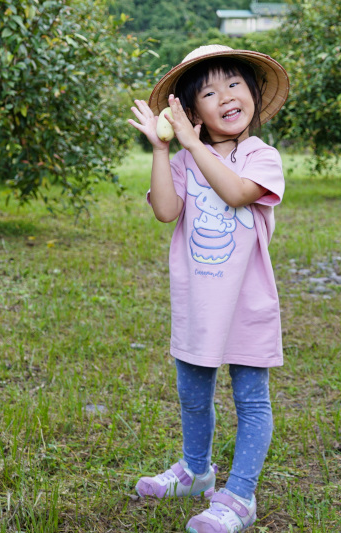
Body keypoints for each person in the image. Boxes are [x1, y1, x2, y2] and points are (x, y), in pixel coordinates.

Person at [127, 44, 290, 533]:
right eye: (209, 91)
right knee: (193, 394)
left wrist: (192, 146)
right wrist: (163, 150)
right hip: (198, 301)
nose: (225, 96)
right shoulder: (183, 160)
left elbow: (239, 192)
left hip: (248, 304)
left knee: (250, 399)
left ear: (254, 96)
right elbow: (165, 210)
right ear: (191, 111)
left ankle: (239, 495)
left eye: (235, 85)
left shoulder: (261, 156)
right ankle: (196, 471)